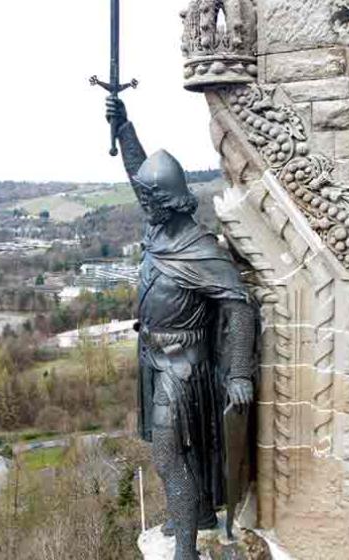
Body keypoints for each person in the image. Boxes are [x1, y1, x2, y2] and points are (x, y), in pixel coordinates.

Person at [106, 97, 256, 560]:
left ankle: (186, 551)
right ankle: (198, 515)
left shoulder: (199, 249)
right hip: (154, 360)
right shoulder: (158, 231)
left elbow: (240, 304)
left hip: (183, 370)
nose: (143, 203)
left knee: (171, 458)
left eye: (150, 198)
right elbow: (140, 177)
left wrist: (237, 374)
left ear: (166, 202)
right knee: (171, 454)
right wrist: (125, 128)